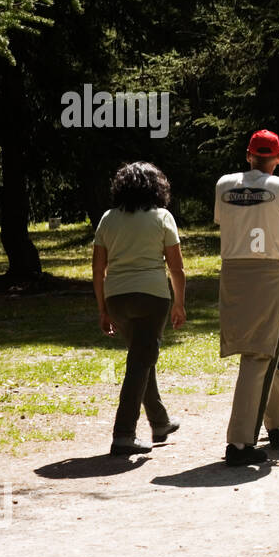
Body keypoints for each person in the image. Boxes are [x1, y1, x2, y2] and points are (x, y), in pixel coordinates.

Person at [215, 129, 279, 466]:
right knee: (259, 354)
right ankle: (239, 444)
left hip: (231, 273)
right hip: (267, 273)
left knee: (261, 350)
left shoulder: (224, 185)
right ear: (278, 157)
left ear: (248, 155)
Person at [92, 162, 186, 456]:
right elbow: (177, 267)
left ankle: (159, 422)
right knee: (140, 362)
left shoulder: (108, 219)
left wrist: (103, 308)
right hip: (152, 297)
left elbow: (98, 270)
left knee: (142, 357)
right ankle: (123, 434)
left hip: (117, 298)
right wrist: (180, 303)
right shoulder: (162, 217)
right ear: (156, 187)